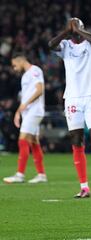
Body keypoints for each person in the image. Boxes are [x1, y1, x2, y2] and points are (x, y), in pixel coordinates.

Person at [49, 18, 91, 198]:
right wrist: (67, 31)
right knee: (76, 140)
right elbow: (51, 45)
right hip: (72, 99)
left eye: (77, 27)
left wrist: (77, 29)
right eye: (72, 28)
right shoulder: (65, 46)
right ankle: (84, 187)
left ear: (82, 28)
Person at [3, 53, 47, 184]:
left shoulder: (35, 70)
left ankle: (20, 174)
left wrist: (24, 105)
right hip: (29, 112)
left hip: (34, 111)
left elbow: (40, 90)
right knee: (34, 141)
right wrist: (20, 111)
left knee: (22, 140)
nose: (14, 68)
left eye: (14, 65)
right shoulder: (25, 75)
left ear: (20, 60)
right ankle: (41, 174)